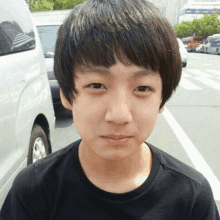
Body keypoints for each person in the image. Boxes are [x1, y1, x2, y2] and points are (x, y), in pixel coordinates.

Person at [1, 0, 219, 219]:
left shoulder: (191, 198)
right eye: (96, 86)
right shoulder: (33, 191)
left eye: (142, 88)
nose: (119, 115)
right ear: (67, 94)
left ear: (162, 100)